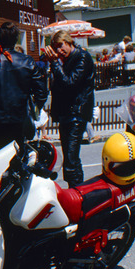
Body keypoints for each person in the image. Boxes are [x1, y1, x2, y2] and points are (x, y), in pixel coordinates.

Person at [0, 22, 48, 198]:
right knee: (17, 162)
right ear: (15, 41)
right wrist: (32, 112)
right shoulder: (27, 61)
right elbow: (41, 93)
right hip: (18, 122)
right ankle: (15, 196)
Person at [43, 30, 95, 187]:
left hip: (77, 113)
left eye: (61, 46)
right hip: (67, 113)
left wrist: (55, 64)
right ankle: (78, 189)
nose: (59, 50)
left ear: (69, 42)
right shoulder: (64, 61)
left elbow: (70, 83)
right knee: (70, 159)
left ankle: (77, 191)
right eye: (56, 48)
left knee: (71, 160)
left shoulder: (82, 57)